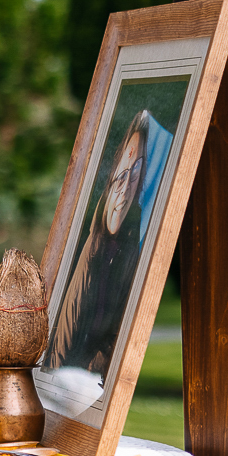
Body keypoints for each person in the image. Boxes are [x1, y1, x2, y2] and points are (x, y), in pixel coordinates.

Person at [45, 108, 173, 377]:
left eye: (136, 173)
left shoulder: (128, 250)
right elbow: (59, 359)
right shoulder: (90, 250)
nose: (124, 188)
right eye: (121, 174)